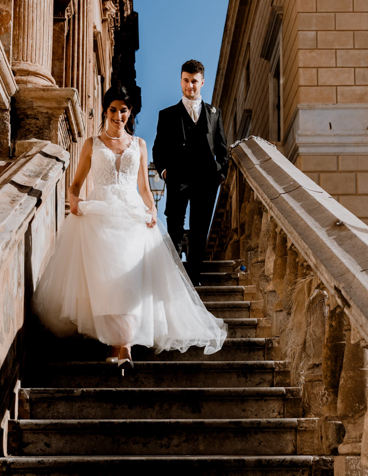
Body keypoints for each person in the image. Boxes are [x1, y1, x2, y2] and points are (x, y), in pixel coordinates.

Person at [32, 82, 227, 368]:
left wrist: (151, 209)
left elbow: (145, 188)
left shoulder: (139, 145)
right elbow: (75, 185)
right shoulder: (91, 144)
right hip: (99, 216)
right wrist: (73, 201)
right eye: (113, 110)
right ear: (105, 111)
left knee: (129, 280)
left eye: (123, 111)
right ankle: (117, 344)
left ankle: (124, 345)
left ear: (130, 112)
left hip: (132, 215)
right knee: (107, 281)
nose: (118, 116)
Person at [152, 60, 229, 286]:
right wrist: (165, 171)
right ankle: (175, 278)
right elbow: (158, 149)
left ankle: (194, 280)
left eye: (194, 81)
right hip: (178, 178)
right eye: (186, 80)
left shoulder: (215, 114)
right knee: (175, 226)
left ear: (202, 82)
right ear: (181, 81)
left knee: (199, 229)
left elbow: (222, 148)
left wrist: (220, 173)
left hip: (207, 180)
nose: (190, 86)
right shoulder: (167, 115)